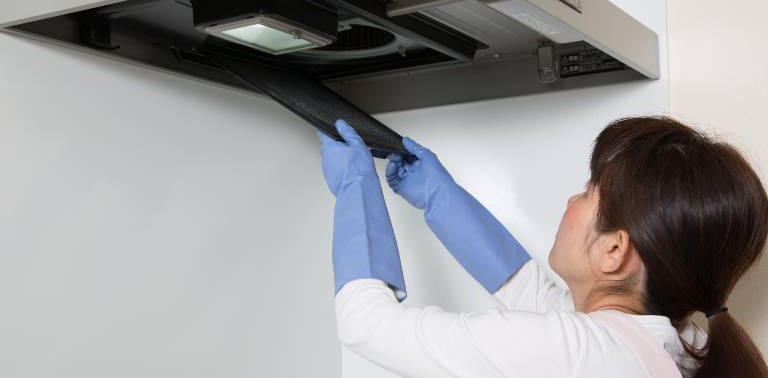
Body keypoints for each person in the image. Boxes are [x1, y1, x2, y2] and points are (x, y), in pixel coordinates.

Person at [316, 116, 768, 378]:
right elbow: (535, 296)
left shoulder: (581, 353)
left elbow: (366, 325)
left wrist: (356, 187)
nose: (572, 200)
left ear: (614, 250)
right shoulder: (684, 343)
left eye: (587, 193)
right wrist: (440, 199)